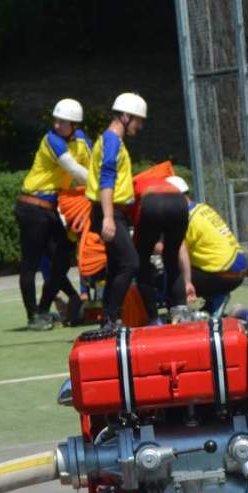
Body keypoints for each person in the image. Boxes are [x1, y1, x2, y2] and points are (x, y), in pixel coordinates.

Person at [18, 98, 89, 330]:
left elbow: (95, 164)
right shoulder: (51, 139)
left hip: (49, 210)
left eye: (63, 122)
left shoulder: (81, 141)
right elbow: (74, 169)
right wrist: (106, 187)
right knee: (30, 264)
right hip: (31, 208)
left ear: (75, 125)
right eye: (56, 120)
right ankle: (33, 317)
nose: (57, 125)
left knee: (63, 258)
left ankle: (43, 309)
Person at [85, 92, 146, 330]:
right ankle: (112, 318)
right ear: (126, 116)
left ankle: (108, 320)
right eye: (138, 120)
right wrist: (109, 217)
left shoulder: (110, 140)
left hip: (108, 210)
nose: (140, 126)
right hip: (109, 211)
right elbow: (106, 179)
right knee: (130, 263)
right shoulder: (112, 141)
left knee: (116, 265)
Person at [174, 176, 248, 315]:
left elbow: (175, 251)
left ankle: (180, 312)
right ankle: (213, 302)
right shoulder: (202, 207)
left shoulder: (183, 218)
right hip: (239, 268)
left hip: (224, 274)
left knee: (170, 274)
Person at [131, 160, 192, 319]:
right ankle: (181, 313)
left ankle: (152, 317)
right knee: (171, 261)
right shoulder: (162, 182)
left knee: (142, 262)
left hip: (151, 202)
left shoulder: (128, 186)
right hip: (178, 202)